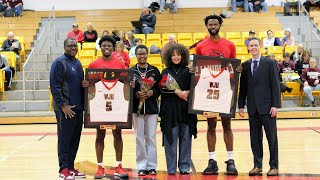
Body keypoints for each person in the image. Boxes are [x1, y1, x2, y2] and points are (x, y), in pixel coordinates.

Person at [195, 15, 238, 175]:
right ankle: (212, 161)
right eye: (210, 24)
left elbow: (233, 67)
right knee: (211, 126)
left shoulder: (230, 45)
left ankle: (231, 160)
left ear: (220, 24)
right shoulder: (200, 46)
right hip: (209, 91)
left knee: (227, 125)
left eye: (215, 23)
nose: (212, 26)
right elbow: (198, 69)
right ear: (206, 26)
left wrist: (236, 77)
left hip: (225, 90)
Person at [87, 35, 128, 179]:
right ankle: (100, 167)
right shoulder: (93, 65)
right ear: (101, 47)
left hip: (116, 104)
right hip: (100, 105)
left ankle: (119, 166)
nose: (106, 48)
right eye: (104, 45)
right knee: (100, 135)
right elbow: (90, 85)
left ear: (113, 48)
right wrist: (86, 85)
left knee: (118, 134)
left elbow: (124, 83)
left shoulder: (120, 64)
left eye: (109, 46)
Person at [238, 37, 280, 176]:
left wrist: (275, 105)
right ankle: (257, 165)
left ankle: (274, 166)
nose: (254, 47)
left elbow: (275, 85)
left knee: (271, 138)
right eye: (251, 45)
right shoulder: (245, 65)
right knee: (255, 138)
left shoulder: (270, 63)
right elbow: (242, 88)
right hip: (252, 108)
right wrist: (241, 105)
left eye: (256, 45)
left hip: (268, 107)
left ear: (260, 46)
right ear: (248, 48)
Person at [50, 38, 86, 180]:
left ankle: (71, 167)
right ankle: (63, 169)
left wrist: (84, 84)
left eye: (75, 45)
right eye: (70, 45)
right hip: (65, 109)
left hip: (77, 108)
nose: (73, 48)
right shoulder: (59, 62)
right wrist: (63, 105)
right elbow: (54, 85)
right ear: (64, 47)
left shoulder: (77, 63)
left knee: (75, 139)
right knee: (65, 139)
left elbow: (77, 84)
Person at [160, 43, 197, 175]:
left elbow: (196, 87)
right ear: (169, 56)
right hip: (170, 109)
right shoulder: (165, 72)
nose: (176, 57)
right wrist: (176, 92)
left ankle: (184, 167)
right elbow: (162, 90)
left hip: (186, 109)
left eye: (178, 54)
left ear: (183, 56)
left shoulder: (189, 71)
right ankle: (171, 168)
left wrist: (187, 92)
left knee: (186, 137)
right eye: (173, 54)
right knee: (171, 137)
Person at [130, 44, 161, 176]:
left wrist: (152, 93)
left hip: (152, 108)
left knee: (151, 138)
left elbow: (160, 88)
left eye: (144, 53)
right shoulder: (131, 72)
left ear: (147, 55)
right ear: (135, 55)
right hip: (136, 109)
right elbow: (127, 90)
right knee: (139, 137)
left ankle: (152, 166)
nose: (142, 56)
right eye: (139, 54)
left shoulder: (154, 70)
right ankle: (142, 165)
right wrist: (136, 94)